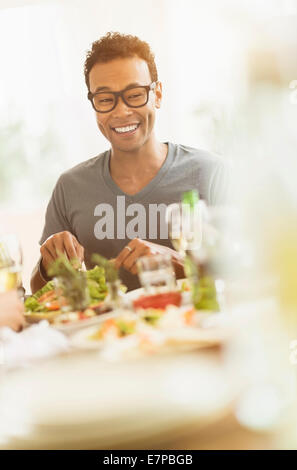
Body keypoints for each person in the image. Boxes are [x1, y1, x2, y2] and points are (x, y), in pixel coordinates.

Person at [31, 32, 228, 293]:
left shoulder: (211, 173)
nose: (121, 111)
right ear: (93, 104)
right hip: (109, 332)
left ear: (157, 94)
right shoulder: (70, 186)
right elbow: (37, 290)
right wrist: (47, 265)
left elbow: (252, 274)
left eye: (134, 94)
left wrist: (181, 264)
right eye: (104, 99)